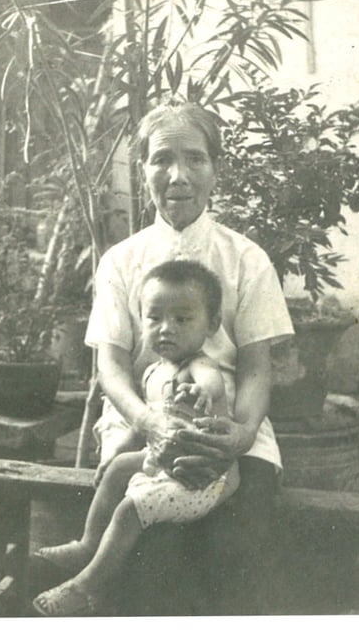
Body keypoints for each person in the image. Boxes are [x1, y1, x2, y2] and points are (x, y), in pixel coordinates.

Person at [47, 101, 294, 615]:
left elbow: (254, 366)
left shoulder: (246, 259)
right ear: (142, 172)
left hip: (229, 429)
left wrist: (243, 432)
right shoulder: (121, 262)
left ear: (214, 169)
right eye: (161, 159)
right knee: (149, 557)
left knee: (234, 545)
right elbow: (110, 367)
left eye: (195, 159)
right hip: (144, 424)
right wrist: (148, 420)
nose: (178, 176)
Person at [32, 260, 239, 616]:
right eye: (154, 317)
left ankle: (86, 586)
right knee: (117, 470)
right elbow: (141, 426)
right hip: (163, 466)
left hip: (204, 479)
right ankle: (87, 544)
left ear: (212, 324)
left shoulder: (198, 367)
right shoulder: (154, 372)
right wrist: (117, 453)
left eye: (182, 319)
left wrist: (199, 392)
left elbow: (211, 381)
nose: (165, 329)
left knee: (130, 510)